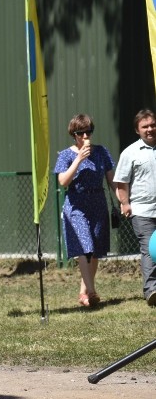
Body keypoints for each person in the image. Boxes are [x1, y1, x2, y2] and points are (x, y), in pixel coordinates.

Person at [54, 114, 116, 308]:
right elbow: (63, 182)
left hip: (98, 201)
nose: (86, 136)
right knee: (84, 246)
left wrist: (122, 200)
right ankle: (91, 290)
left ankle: (83, 292)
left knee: (95, 250)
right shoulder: (66, 155)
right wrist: (79, 159)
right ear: (74, 134)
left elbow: (111, 179)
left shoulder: (101, 152)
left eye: (89, 132)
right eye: (81, 133)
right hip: (76, 204)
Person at [114, 109, 156, 307]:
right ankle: (152, 291)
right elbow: (121, 182)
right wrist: (125, 203)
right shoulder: (130, 153)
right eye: (145, 126)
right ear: (137, 130)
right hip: (142, 211)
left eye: (152, 125)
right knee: (150, 249)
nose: (150, 129)